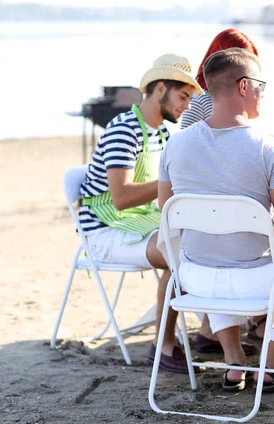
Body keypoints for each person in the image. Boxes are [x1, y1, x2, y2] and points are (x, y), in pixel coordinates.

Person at [158, 47, 274, 392]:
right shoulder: (268, 148)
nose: (262, 92)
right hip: (254, 280)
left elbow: (167, 214)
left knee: (214, 253)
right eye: (260, 84)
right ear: (243, 87)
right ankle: (272, 363)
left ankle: (235, 362)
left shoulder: (175, 146)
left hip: (195, 278)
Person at [79, 54, 203, 373]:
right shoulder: (124, 129)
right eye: (183, 97)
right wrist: (172, 181)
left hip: (139, 224)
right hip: (104, 230)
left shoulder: (161, 132)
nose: (187, 106)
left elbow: (162, 194)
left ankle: (211, 333)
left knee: (201, 241)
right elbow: (120, 198)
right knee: (181, 250)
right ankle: (164, 346)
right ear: (160, 88)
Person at [178, 28, 260, 356]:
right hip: (211, 200)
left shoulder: (214, 102)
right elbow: (200, 154)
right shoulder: (202, 106)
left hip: (198, 226)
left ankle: (233, 325)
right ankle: (247, 322)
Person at [180, 28, 259, 130]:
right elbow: (186, 142)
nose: (248, 69)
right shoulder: (199, 102)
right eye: (244, 61)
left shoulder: (240, 103)